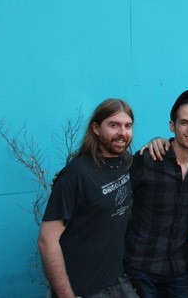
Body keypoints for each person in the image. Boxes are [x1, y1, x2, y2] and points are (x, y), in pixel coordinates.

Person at [38, 99, 138, 298]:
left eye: (127, 126)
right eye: (113, 125)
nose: (122, 133)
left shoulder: (126, 163)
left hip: (118, 282)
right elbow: (46, 240)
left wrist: (163, 140)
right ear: (96, 128)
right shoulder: (75, 174)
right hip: (84, 290)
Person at [124, 90, 188, 297]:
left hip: (178, 269)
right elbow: (113, 186)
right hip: (140, 265)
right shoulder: (148, 159)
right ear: (172, 126)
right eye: (184, 123)